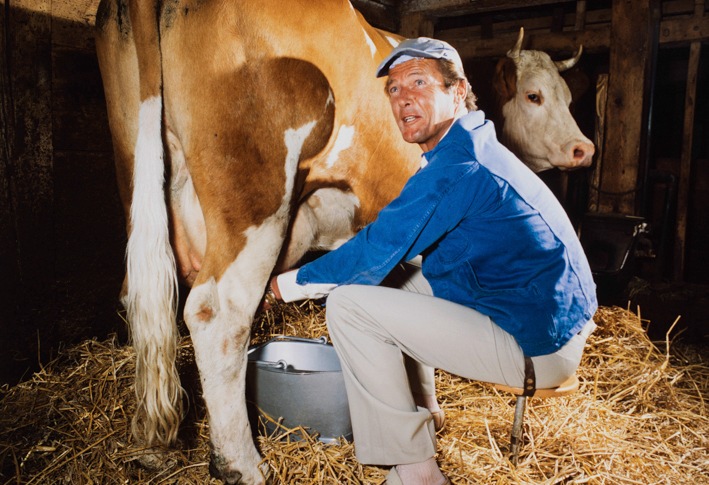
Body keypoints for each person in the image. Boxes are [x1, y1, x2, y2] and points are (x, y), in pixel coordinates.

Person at [265, 37, 597, 485]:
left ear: (458, 92)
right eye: (394, 90)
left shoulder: (458, 166)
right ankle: (425, 410)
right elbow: (393, 252)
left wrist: (278, 286)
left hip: (537, 345)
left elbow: (372, 251)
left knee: (348, 305)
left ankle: (418, 474)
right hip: (539, 316)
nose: (403, 99)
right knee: (390, 278)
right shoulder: (468, 145)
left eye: (419, 83)